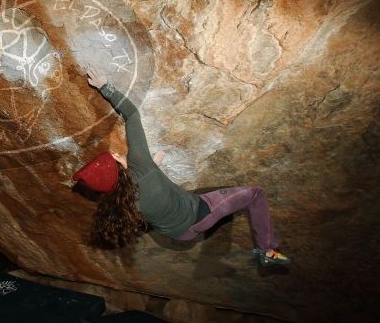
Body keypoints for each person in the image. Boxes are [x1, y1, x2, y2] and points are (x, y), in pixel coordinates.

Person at [76, 69, 290, 267]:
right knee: (254, 194)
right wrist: (105, 86)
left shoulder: (118, 202)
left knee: (178, 201)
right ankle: (267, 250)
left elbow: (140, 186)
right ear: (119, 168)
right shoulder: (141, 163)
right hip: (200, 215)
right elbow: (132, 114)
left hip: (179, 235)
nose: (114, 153)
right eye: (112, 157)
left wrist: (154, 167)